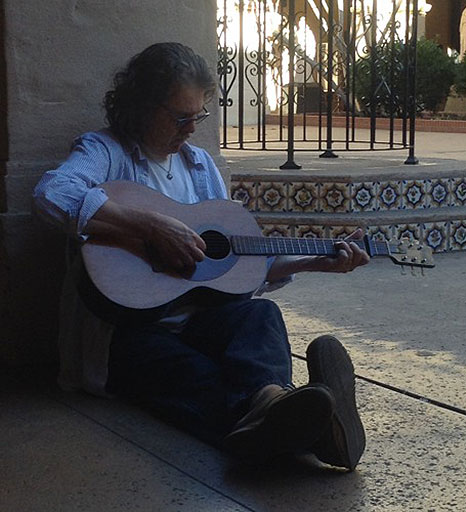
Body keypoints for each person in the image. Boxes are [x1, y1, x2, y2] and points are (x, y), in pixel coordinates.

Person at [32, 42, 370, 470]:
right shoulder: (105, 151)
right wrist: (151, 227)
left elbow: (234, 264)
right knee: (192, 372)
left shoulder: (199, 166)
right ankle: (308, 424)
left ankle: (276, 410)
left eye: (199, 116)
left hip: (198, 321)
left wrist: (315, 260)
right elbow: (51, 194)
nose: (191, 128)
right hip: (128, 333)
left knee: (260, 316)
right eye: (180, 117)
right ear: (141, 106)